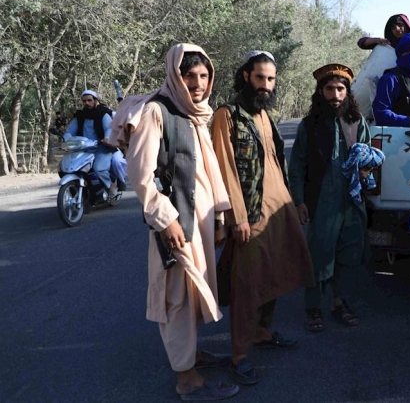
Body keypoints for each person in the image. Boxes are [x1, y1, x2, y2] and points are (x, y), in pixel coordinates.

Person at [116, 44, 239, 401]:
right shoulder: (157, 112)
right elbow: (141, 177)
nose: (198, 83)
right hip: (175, 222)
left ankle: (192, 356)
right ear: (175, 75)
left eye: (203, 76)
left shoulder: (195, 113)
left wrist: (218, 217)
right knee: (177, 295)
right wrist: (166, 219)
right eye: (190, 76)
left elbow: (209, 169)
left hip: (199, 222)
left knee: (196, 288)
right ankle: (186, 378)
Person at [210, 51, 316, 385]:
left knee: (277, 274)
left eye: (270, 80)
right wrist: (237, 217)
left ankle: (262, 332)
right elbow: (224, 170)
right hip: (250, 216)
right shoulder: (227, 116)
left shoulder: (266, 117)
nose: (266, 86)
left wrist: (294, 203)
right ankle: (239, 354)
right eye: (260, 78)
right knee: (247, 285)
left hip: (279, 211)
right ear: (245, 76)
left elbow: (276, 166)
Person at [288, 64, 372, 333]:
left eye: (340, 89)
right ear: (320, 92)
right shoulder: (309, 125)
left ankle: (340, 302)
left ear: (347, 92)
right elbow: (298, 165)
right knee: (319, 254)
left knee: (349, 254)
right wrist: (299, 200)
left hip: (352, 202)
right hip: (322, 200)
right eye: (329, 89)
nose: (335, 94)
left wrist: (365, 169)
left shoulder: (357, 122)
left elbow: (370, 157)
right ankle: (313, 307)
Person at [63, 90, 117, 197]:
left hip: (102, 148)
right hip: (83, 149)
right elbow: (69, 131)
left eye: (89, 100)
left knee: (98, 168)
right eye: (84, 101)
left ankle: (110, 186)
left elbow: (108, 128)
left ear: (96, 101)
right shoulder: (80, 116)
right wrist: (66, 139)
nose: (86, 103)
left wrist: (107, 138)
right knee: (70, 168)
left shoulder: (103, 114)